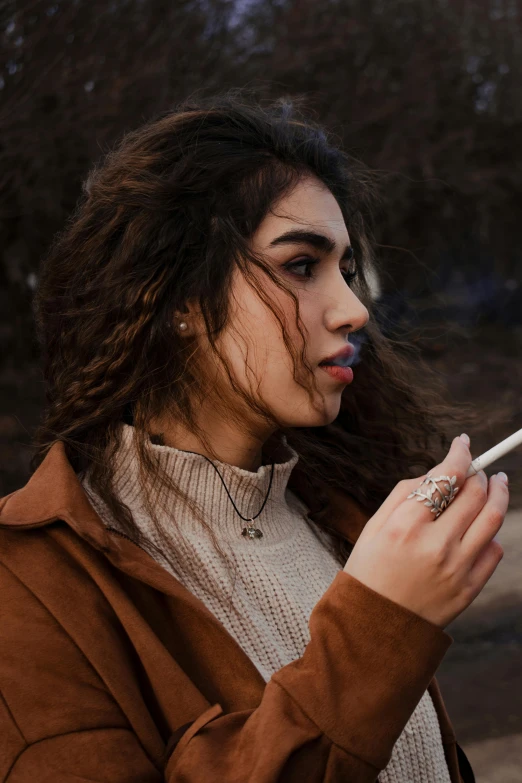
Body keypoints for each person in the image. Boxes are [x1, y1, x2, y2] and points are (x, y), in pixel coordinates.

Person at [0, 89, 508, 782]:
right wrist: (378, 628)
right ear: (177, 300)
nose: (354, 309)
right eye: (302, 266)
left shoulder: (338, 513)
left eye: (347, 270)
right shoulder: (30, 589)